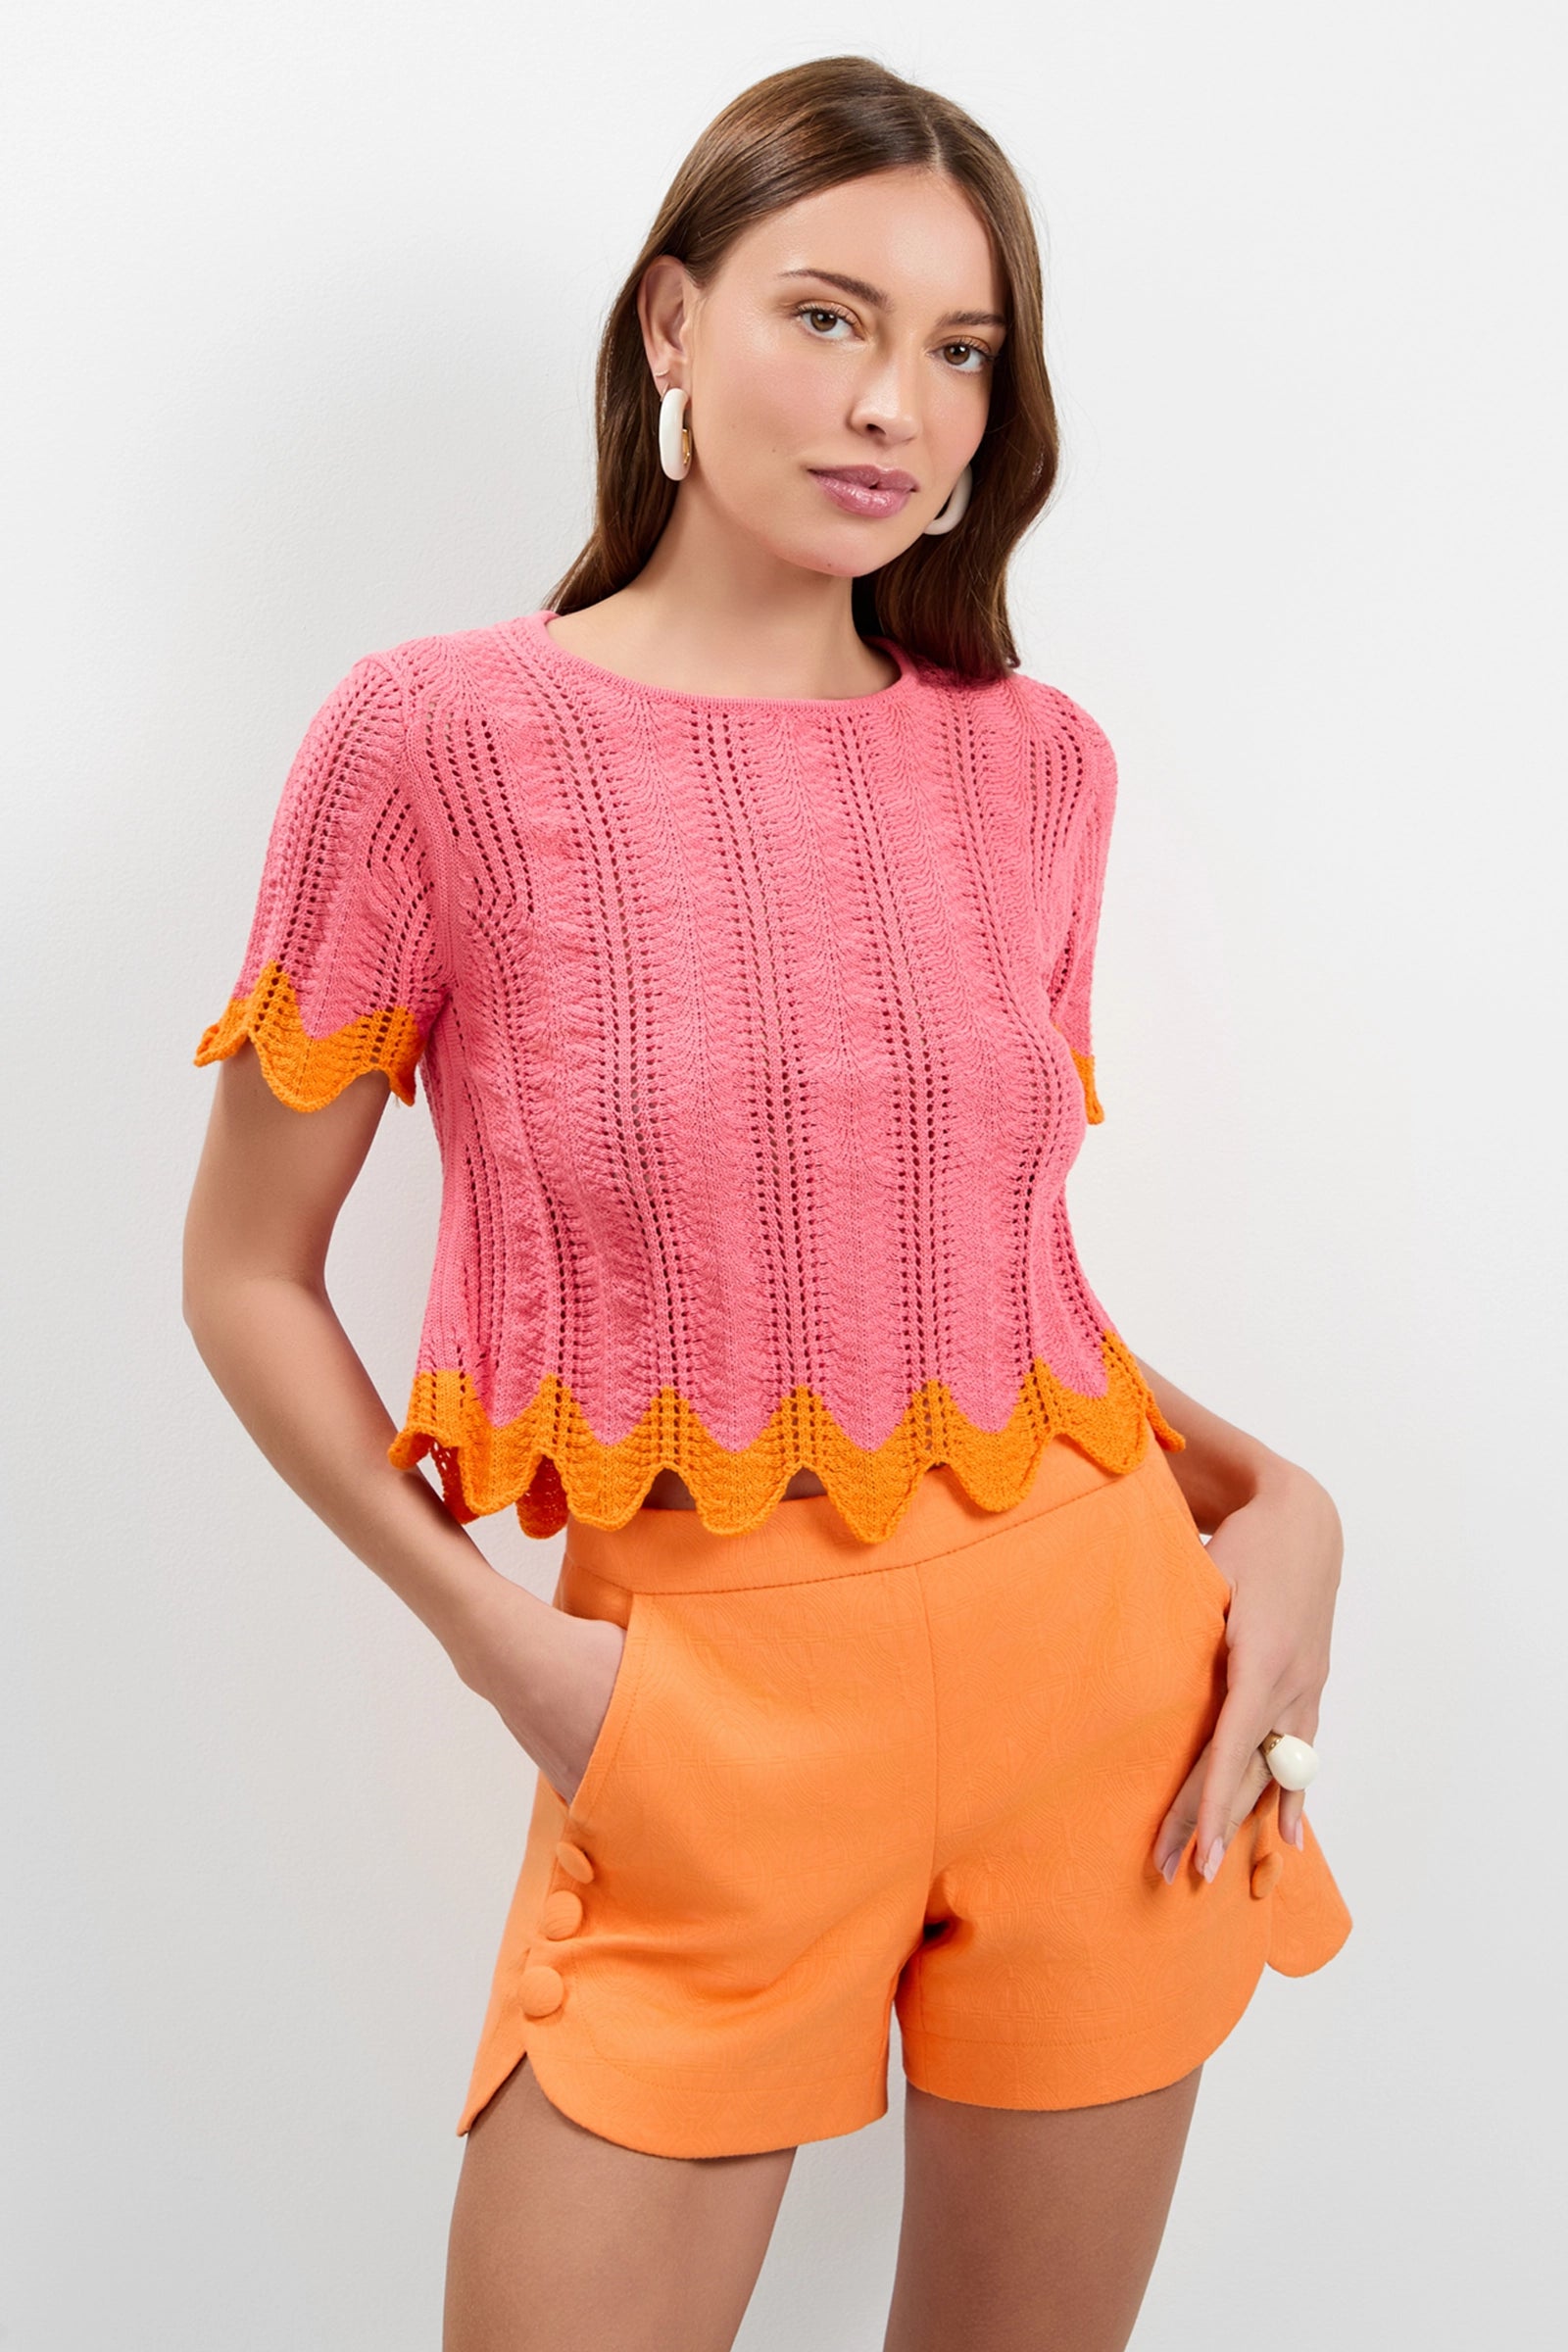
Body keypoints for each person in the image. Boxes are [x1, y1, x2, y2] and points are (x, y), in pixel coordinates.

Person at [182, 53, 1352, 2352]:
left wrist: (1272, 1495)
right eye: (825, 316)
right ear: (665, 330)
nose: (891, 404)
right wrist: (521, 1666)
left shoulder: (1032, 765)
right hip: (697, 1732)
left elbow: (961, 1285)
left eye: (957, 351)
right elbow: (243, 1277)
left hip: (1102, 1695)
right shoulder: (436, 743)